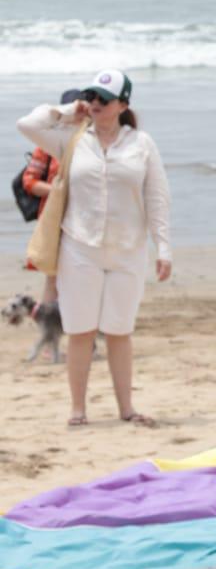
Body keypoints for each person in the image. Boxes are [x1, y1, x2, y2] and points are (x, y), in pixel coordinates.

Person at [17, 70, 172, 428]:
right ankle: (78, 410)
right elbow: (27, 124)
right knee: (80, 330)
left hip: (128, 250)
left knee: (119, 330)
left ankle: (126, 409)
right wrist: (68, 110)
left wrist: (163, 247)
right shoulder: (72, 139)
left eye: (104, 98)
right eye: (92, 96)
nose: (96, 103)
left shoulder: (142, 144)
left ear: (123, 104)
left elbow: (157, 197)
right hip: (79, 247)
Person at [20, 86, 82, 303]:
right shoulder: (47, 144)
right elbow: (29, 181)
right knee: (53, 275)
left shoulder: (92, 141)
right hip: (54, 218)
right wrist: (58, 191)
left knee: (83, 272)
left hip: (84, 217)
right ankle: (49, 320)